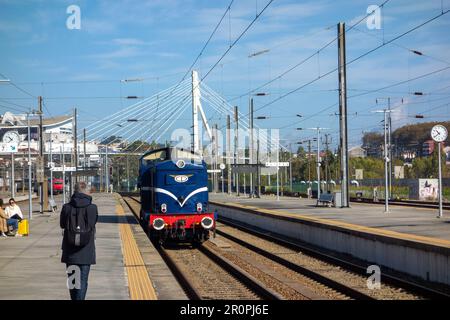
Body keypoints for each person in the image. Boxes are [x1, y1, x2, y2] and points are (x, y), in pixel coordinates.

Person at [60, 182, 98, 300]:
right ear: (86, 192)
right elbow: (93, 223)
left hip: (70, 251)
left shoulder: (66, 207)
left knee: (73, 281)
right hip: (86, 251)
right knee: (82, 281)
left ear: (74, 191)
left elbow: (62, 224)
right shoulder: (92, 208)